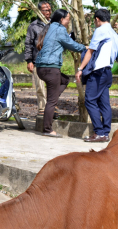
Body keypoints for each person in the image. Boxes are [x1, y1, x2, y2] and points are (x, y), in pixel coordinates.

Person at [35, 9, 86, 137]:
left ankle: (53, 97)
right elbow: (70, 45)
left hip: (41, 68)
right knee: (51, 102)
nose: (68, 21)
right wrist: (85, 48)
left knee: (64, 80)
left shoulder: (50, 27)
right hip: (51, 68)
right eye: (68, 19)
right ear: (61, 19)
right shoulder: (60, 29)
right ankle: (47, 130)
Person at [75, 9, 118, 143]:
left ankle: (99, 132)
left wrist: (80, 68)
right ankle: (105, 133)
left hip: (98, 71)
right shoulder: (114, 34)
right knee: (104, 103)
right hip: (107, 72)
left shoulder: (100, 30)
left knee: (89, 100)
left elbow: (90, 52)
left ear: (97, 19)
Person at [24, 1, 52, 114]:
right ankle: (42, 108)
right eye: (46, 10)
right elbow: (28, 43)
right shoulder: (33, 26)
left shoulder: (54, 25)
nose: (48, 12)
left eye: (49, 10)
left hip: (52, 61)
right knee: (40, 87)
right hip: (37, 61)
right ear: (39, 11)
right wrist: (29, 60)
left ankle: (50, 108)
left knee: (52, 86)